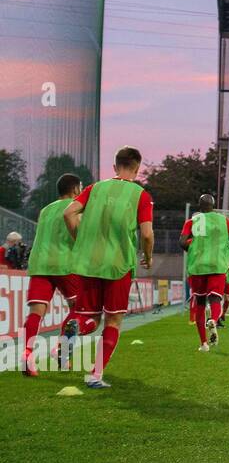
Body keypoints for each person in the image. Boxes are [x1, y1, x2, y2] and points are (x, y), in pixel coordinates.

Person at [63, 146, 154, 388]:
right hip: (118, 265)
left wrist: (79, 241)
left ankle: (77, 329)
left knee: (90, 317)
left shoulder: (94, 188)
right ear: (137, 169)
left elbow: (69, 213)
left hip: (89, 262)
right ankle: (95, 375)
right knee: (113, 320)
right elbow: (146, 234)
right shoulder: (140, 195)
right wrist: (148, 257)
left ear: (115, 167)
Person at [20, 173, 83, 377]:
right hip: (65, 262)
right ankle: (62, 350)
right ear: (75, 189)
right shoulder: (77, 206)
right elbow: (80, 233)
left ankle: (28, 355)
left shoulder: (45, 210)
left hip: (39, 263)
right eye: (80, 187)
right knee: (79, 308)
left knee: (36, 312)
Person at [180, 194, 229, 351]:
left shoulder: (191, 221)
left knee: (199, 303)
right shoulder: (224, 220)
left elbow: (182, 242)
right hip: (217, 265)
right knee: (215, 298)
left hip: (197, 267)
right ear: (214, 206)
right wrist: (222, 250)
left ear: (199, 206)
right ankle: (212, 319)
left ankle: (203, 343)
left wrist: (194, 250)